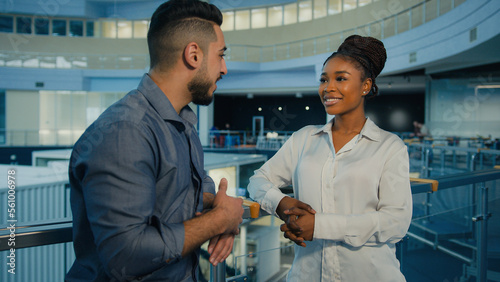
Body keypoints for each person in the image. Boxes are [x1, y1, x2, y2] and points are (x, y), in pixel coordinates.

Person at [66, 0, 244, 281]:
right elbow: (126, 256)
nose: (224, 68)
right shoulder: (125, 132)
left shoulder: (182, 122)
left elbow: (187, 188)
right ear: (193, 55)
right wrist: (221, 219)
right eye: (221, 55)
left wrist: (219, 207)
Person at [248, 35, 412, 281]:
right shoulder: (304, 139)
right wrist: (282, 204)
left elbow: (396, 222)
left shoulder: (389, 147)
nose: (328, 87)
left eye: (341, 79)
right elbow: (257, 180)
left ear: (365, 86)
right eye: (324, 79)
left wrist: (320, 226)